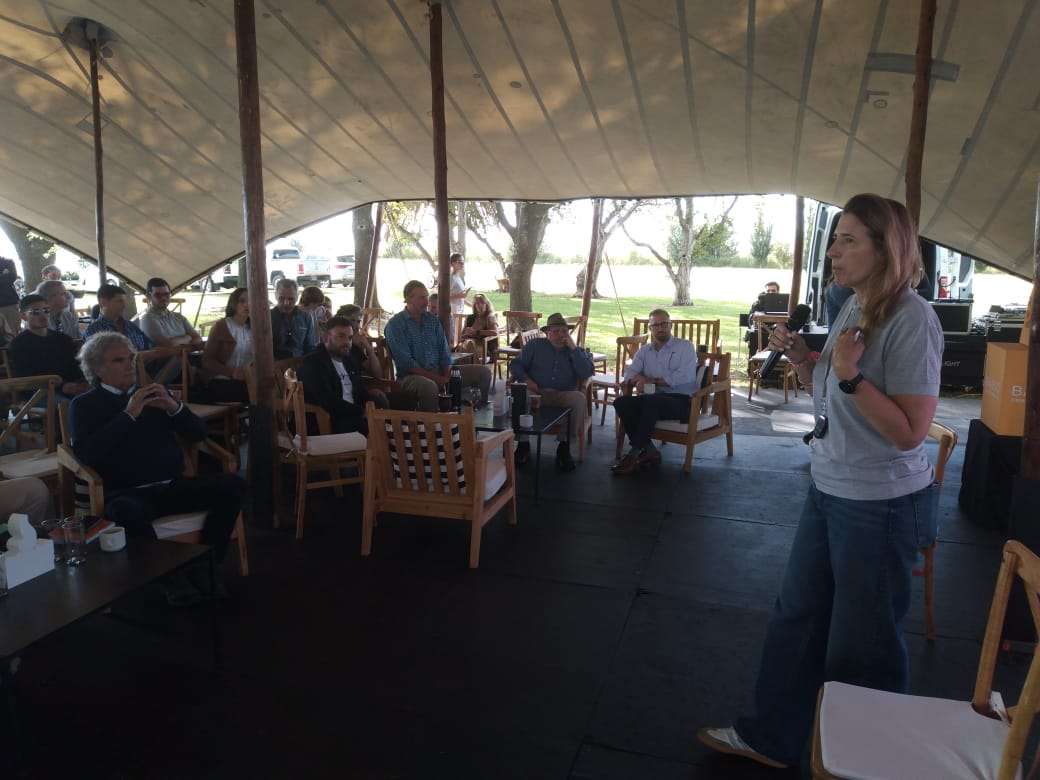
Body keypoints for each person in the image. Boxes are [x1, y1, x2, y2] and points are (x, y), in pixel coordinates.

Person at [698, 194, 943, 770]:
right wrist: (805, 359)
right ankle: (774, 738)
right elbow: (827, 391)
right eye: (834, 239)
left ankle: (863, 763)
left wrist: (851, 374)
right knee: (797, 617)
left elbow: (910, 432)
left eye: (848, 240)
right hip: (830, 485)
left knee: (863, 644)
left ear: (887, 249)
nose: (834, 251)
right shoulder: (854, 304)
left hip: (880, 504)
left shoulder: (912, 319)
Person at [69, 332, 244, 606]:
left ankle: (205, 567)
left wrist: (174, 407)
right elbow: (87, 454)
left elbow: (198, 434)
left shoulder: (153, 395)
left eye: (131, 358)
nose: (129, 365)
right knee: (123, 512)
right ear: (97, 369)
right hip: (128, 493)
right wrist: (129, 415)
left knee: (233, 485)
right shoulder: (84, 405)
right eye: (118, 360)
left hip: (171, 486)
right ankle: (172, 580)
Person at [612, 308, 700, 476]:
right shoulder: (645, 351)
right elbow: (629, 373)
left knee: (651, 400)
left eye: (664, 324)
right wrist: (640, 379)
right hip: (653, 401)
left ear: (671, 325)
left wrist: (650, 381)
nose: (660, 328)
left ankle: (633, 454)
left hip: (682, 402)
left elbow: (684, 376)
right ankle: (650, 450)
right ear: (650, 328)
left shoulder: (685, 346)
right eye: (656, 325)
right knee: (621, 402)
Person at [384, 281, 490, 411]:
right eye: (422, 298)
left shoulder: (432, 320)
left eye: (426, 297)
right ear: (408, 299)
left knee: (483, 372)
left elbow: (444, 352)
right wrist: (438, 379)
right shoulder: (395, 325)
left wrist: (446, 375)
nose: (426, 302)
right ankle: (432, 423)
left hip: (439, 372)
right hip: (409, 377)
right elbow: (407, 364)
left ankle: (479, 416)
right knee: (429, 386)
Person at [509, 312, 593, 472]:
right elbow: (516, 365)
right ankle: (523, 444)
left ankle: (564, 447)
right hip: (536, 392)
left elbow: (586, 373)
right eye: (556, 331)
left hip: (562, 395)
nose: (561, 335)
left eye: (564, 331)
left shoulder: (576, 351)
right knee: (520, 394)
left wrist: (574, 349)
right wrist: (526, 379)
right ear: (548, 333)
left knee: (579, 399)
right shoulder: (535, 345)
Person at [296, 316, 371, 435]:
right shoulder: (313, 363)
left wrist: (372, 405)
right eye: (341, 336)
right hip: (328, 420)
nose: (347, 342)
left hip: (353, 413)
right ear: (326, 338)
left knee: (387, 409)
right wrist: (362, 412)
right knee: (375, 429)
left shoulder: (348, 360)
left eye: (350, 338)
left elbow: (360, 389)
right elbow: (328, 401)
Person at [9, 293, 90, 400]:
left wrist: (81, 382)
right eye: (36, 312)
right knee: (68, 403)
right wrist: (62, 386)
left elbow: (76, 366)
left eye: (46, 310)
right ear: (23, 316)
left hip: (71, 387)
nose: (43, 315)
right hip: (39, 393)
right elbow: (25, 377)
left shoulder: (63, 339)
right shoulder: (19, 344)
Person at [200, 287, 252, 403]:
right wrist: (232, 372)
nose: (247, 304)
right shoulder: (221, 326)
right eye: (242, 301)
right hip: (222, 379)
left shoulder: (254, 328)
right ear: (234, 304)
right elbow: (207, 360)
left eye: (250, 300)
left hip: (247, 379)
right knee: (251, 394)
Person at [138, 277, 203, 349]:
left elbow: (198, 338)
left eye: (166, 294)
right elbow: (168, 344)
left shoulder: (178, 317)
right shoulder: (147, 319)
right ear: (149, 296)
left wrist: (178, 341)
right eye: (158, 295)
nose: (163, 298)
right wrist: (188, 337)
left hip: (186, 355)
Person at [83, 284, 152, 351]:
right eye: (120, 301)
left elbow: (150, 345)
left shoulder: (131, 326)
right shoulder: (94, 330)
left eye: (124, 302)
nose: (124, 306)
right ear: (103, 303)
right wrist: (141, 355)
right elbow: (98, 357)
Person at [270, 278, 316, 359]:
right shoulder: (268, 317)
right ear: (275, 295)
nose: (286, 303)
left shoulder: (306, 317)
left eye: (291, 299)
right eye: (281, 298)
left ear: (297, 297)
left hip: (300, 363)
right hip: (275, 364)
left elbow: (310, 347)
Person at [459, 293, 499, 362]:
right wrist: (466, 334)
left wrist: (477, 332)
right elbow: (462, 336)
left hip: (485, 347)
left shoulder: (490, 317)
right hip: (468, 344)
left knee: (469, 345)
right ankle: (471, 366)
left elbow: (495, 332)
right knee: (466, 345)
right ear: (474, 306)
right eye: (477, 303)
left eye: (482, 303)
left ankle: (472, 366)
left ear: (487, 305)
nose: (480, 305)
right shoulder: (470, 318)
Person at [0, 255, 20, 336]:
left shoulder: (8, 262)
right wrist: (3, 275)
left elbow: (12, 277)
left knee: (12, 334)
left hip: (9, 304)